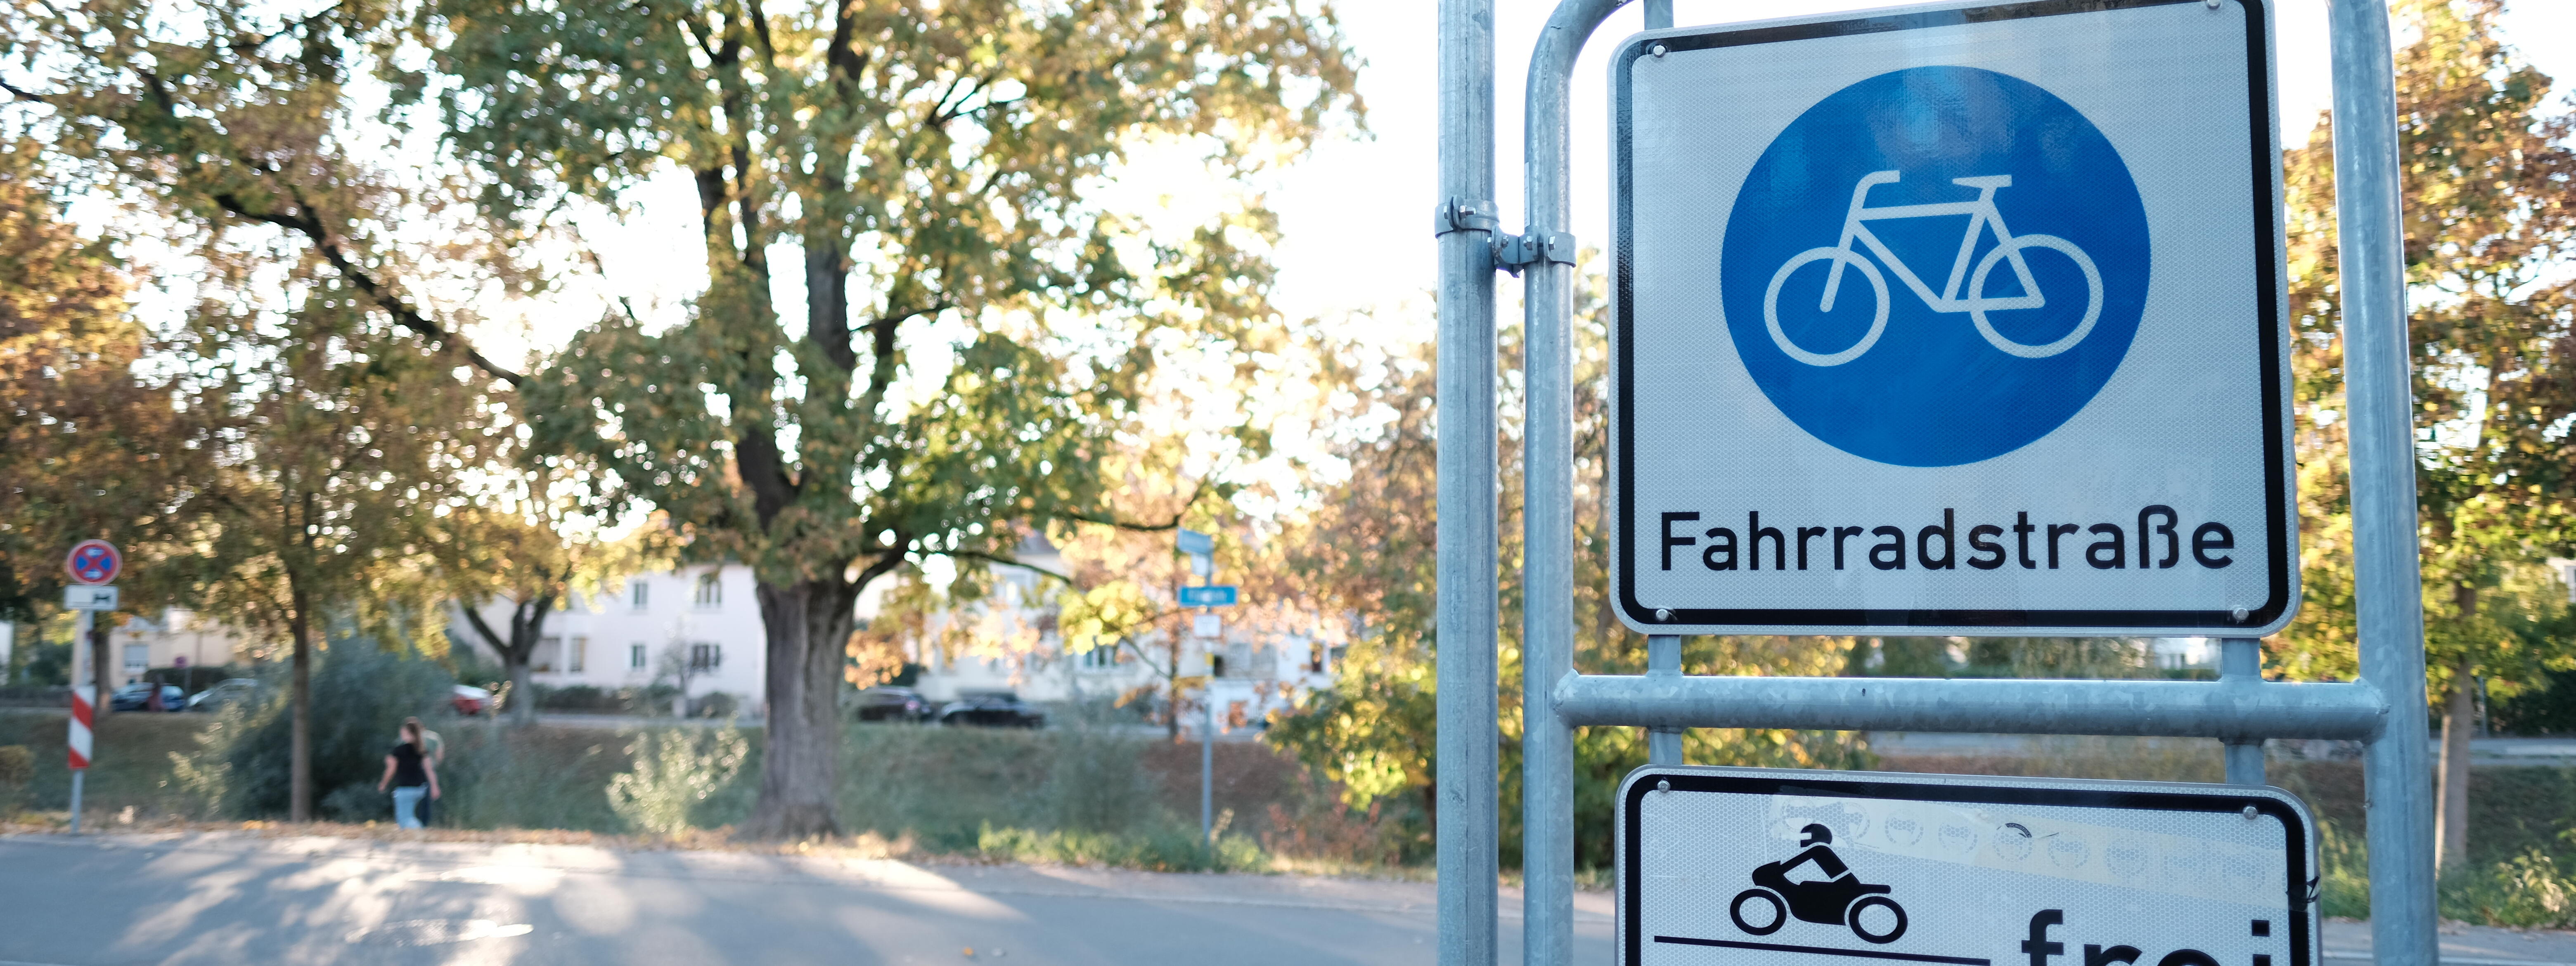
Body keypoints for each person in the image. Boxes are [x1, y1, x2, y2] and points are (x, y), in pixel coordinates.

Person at [375, 721, 439, 829]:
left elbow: (391, 769)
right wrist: (435, 787)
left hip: (405, 789)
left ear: (406, 733)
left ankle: (421, 833)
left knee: (404, 821)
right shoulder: (422, 751)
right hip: (420, 789)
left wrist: (384, 783)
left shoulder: (398, 751)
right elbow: (430, 771)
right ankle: (414, 838)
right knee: (407, 818)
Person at [402, 716, 445, 824]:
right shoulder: (434, 737)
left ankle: (408, 824)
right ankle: (423, 825)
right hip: (428, 771)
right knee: (425, 801)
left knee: (408, 799)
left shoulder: (407, 737)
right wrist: (436, 765)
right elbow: (440, 754)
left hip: (410, 772)